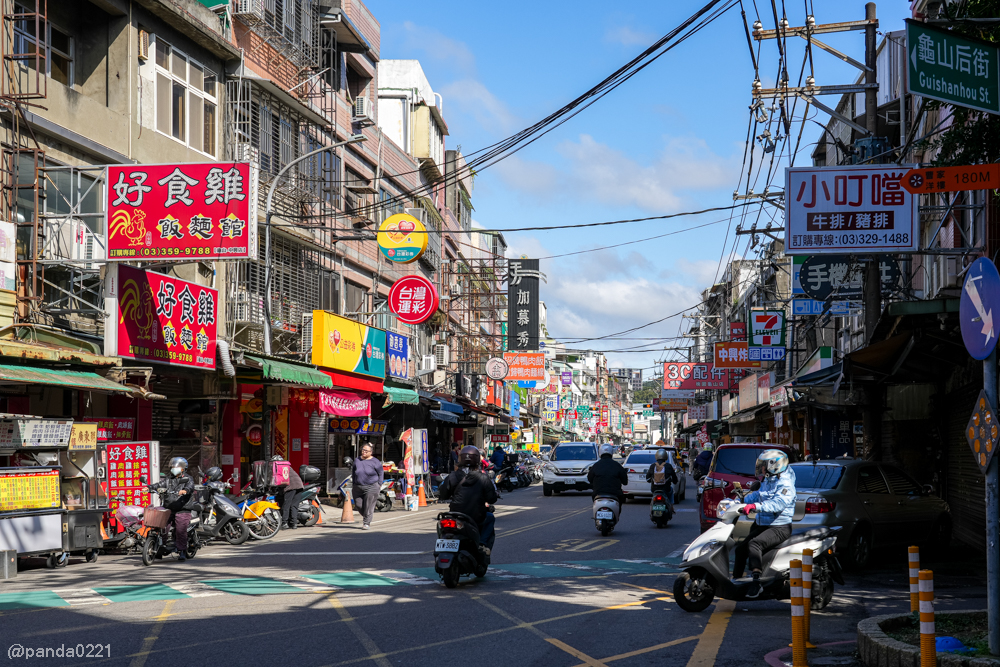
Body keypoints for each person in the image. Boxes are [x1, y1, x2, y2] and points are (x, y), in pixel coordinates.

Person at [732, 450, 797, 599]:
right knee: (740, 549)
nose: (761, 468)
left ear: (774, 465)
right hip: (764, 523)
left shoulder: (785, 483)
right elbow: (759, 494)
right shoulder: (770, 479)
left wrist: (756, 506)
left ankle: (757, 583)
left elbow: (778, 503)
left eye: (764, 465)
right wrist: (741, 501)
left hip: (779, 527)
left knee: (754, 544)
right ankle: (736, 583)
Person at [438, 445, 499, 554]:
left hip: (455, 514)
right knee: (490, 517)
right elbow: (492, 499)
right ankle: (482, 545)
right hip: (476, 516)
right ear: (477, 460)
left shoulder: (453, 476)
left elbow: (443, 495)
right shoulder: (483, 478)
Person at [150, 456, 196, 561]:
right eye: (172, 466)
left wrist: (185, 490)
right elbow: (159, 484)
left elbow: (190, 486)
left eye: (177, 467)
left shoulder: (188, 478)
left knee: (180, 530)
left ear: (183, 468)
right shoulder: (168, 479)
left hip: (183, 508)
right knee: (162, 527)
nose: (173, 468)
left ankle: (182, 550)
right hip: (169, 508)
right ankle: (160, 548)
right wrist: (149, 487)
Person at [351, 444, 384, 530]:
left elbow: (381, 473)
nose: (364, 452)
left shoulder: (375, 461)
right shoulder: (357, 460)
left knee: (369, 506)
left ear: (371, 452)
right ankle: (367, 516)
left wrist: (379, 484)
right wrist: (354, 483)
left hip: (371, 486)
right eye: (363, 450)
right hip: (357, 487)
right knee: (359, 505)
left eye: (366, 451)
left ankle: (366, 523)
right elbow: (354, 472)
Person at [587, 443, 628, 508]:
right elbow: (625, 481)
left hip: (598, 493)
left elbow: (589, 479)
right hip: (615, 494)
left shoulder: (596, 465)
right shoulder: (617, 465)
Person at [279, 465, 304, 529]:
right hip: (299, 486)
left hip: (291, 487)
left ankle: (284, 523)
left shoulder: (279, 468)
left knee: (286, 505)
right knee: (294, 506)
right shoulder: (288, 467)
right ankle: (294, 524)